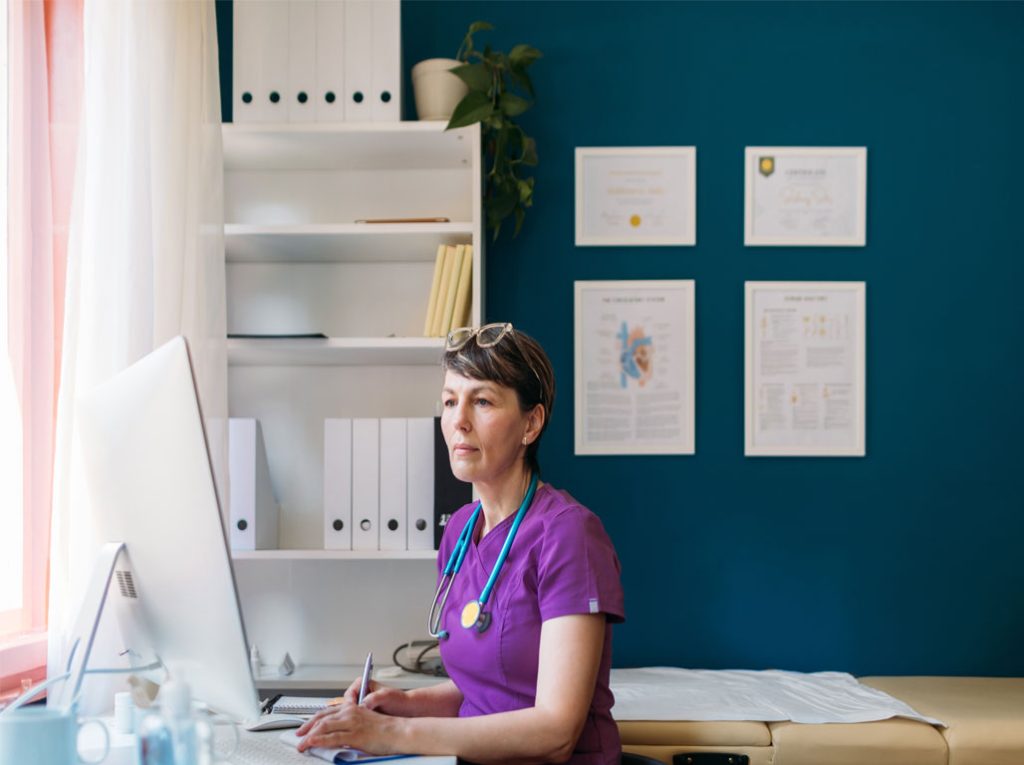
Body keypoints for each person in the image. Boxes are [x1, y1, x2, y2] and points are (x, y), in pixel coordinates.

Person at [297, 323, 625, 765]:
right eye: (450, 401)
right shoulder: (460, 530)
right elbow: (486, 691)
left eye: (482, 401)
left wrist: (395, 732)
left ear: (532, 423)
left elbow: (555, 730)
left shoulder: (569, 535)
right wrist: (402, 704)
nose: (458, 421)